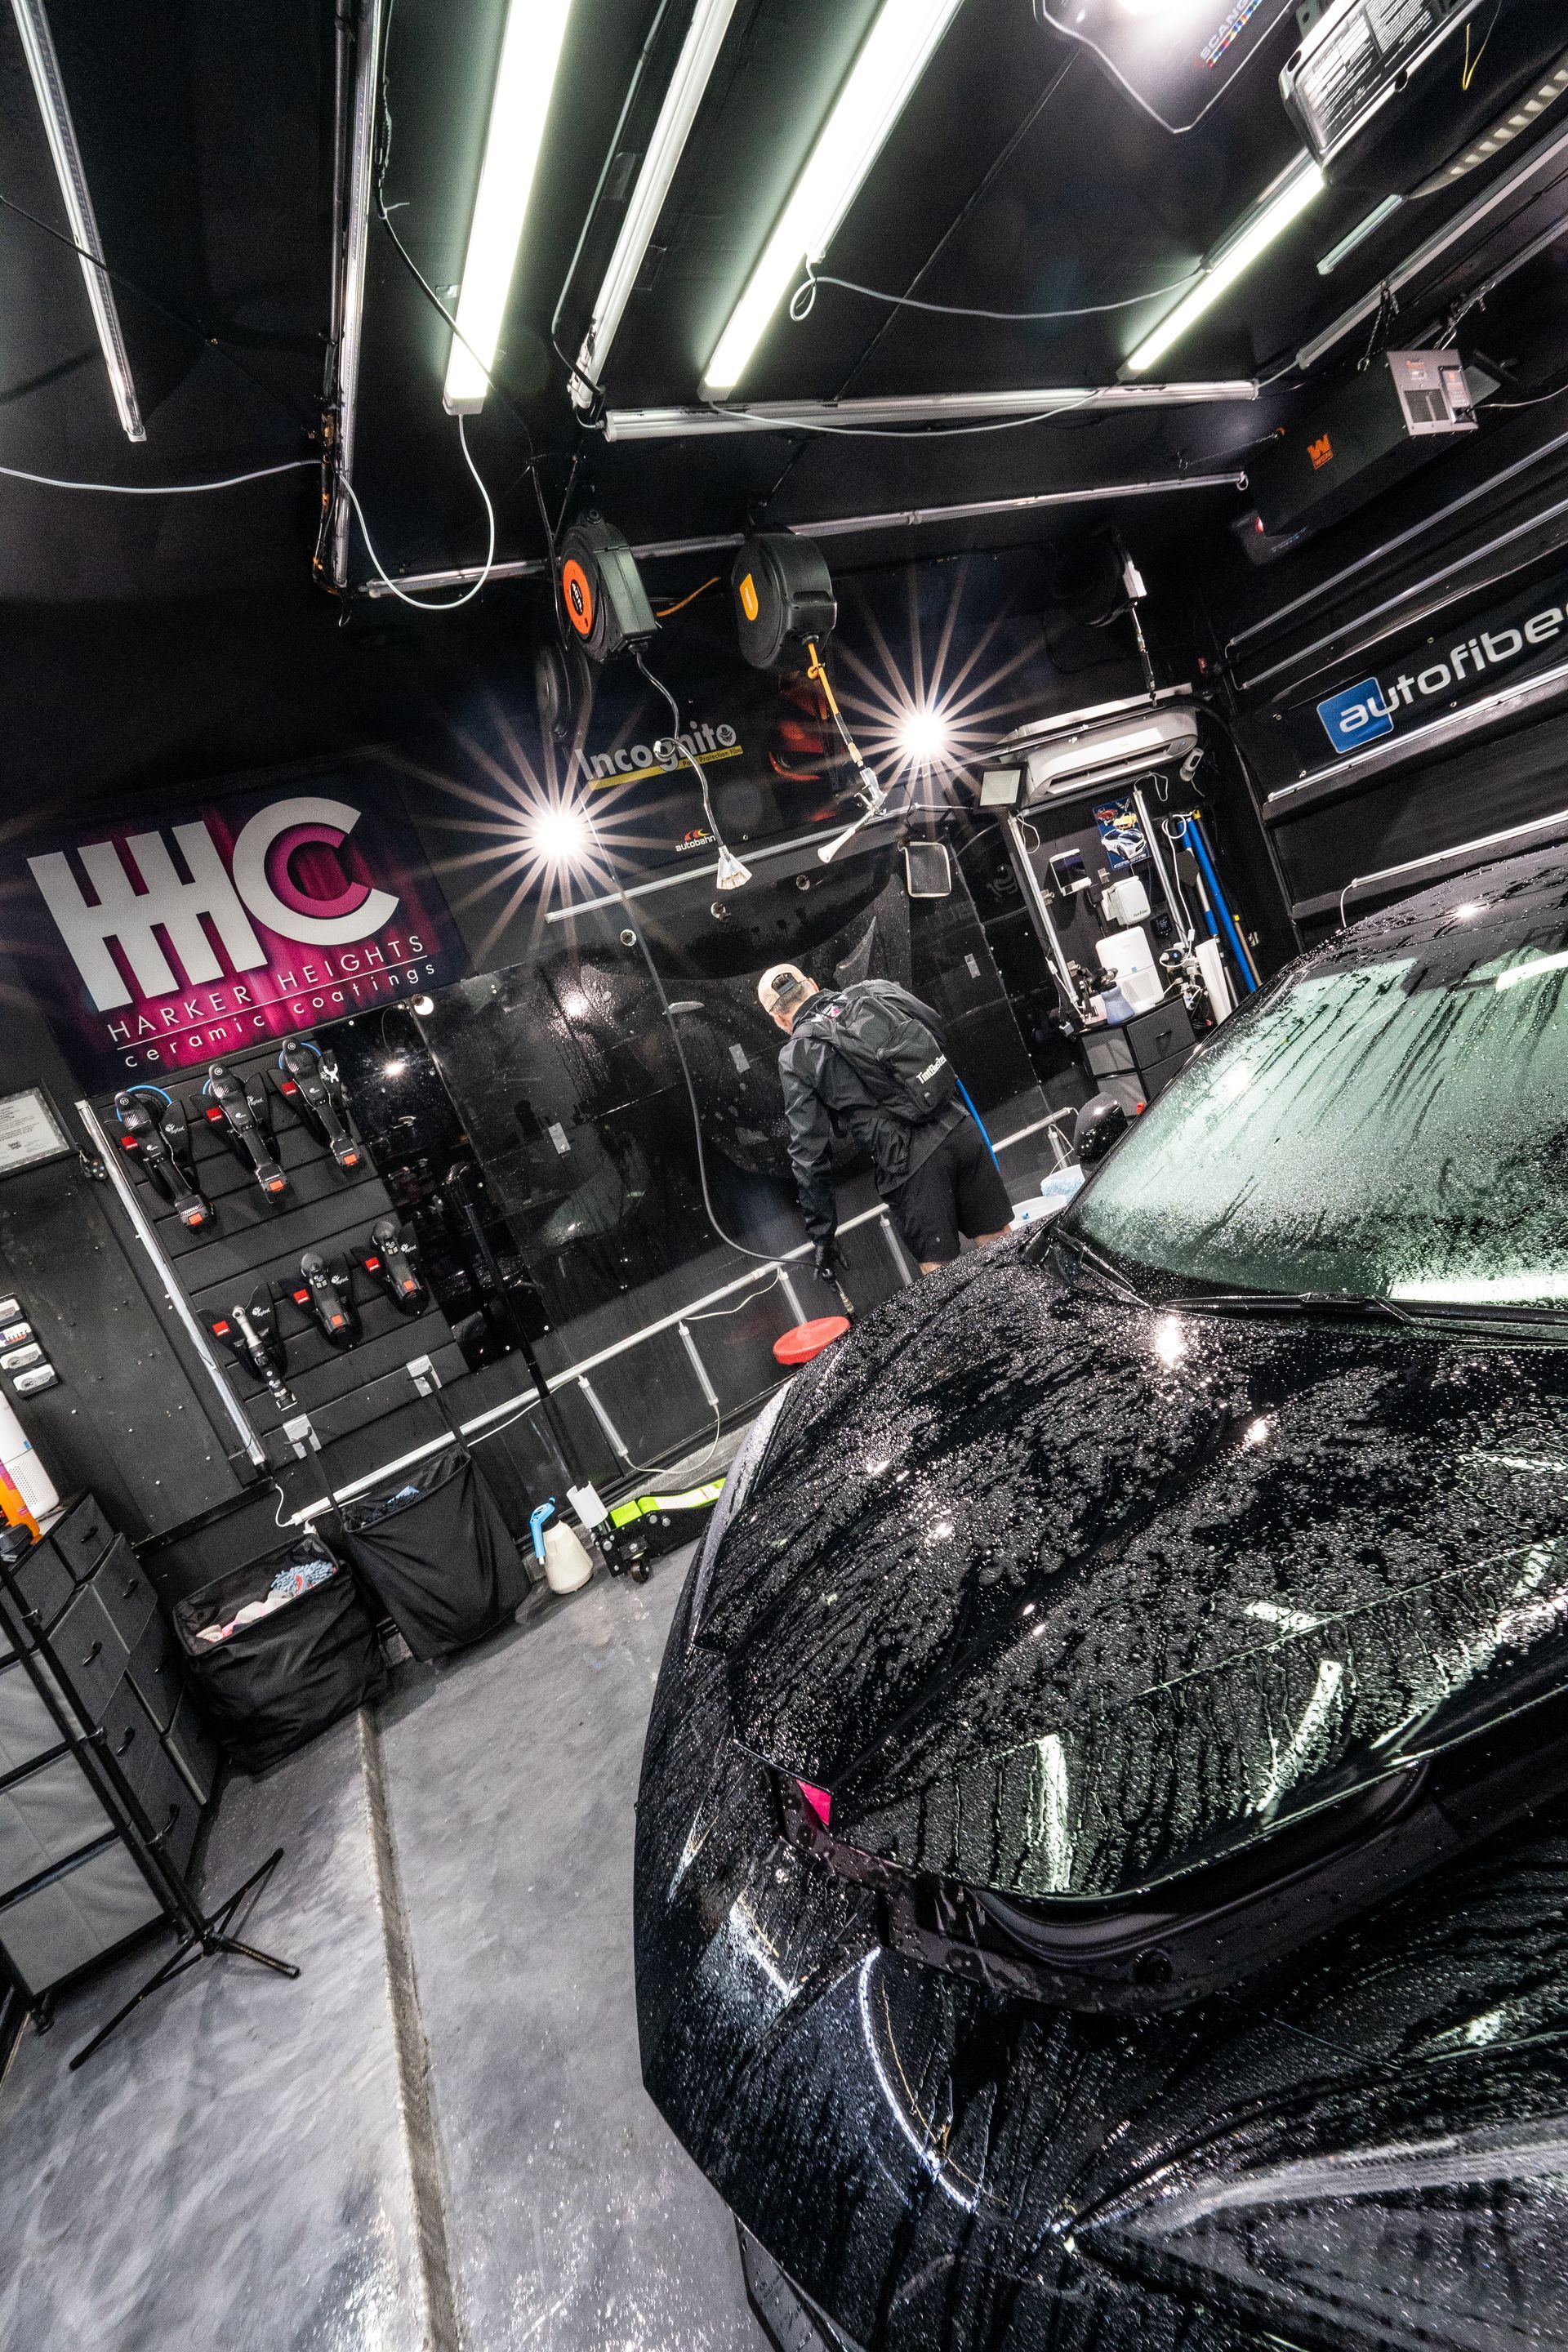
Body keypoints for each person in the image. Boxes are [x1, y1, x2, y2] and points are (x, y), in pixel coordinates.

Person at [758, 962, 1013, 1281]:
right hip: (958, 1128)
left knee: (946, 1282)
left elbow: (809, 1155)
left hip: (912, 1166)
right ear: (811, 983)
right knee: (1004, 1252)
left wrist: (823, 1234)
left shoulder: (797, 1055)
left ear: (778, 1018)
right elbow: (935, 1029)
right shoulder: (872, 990)